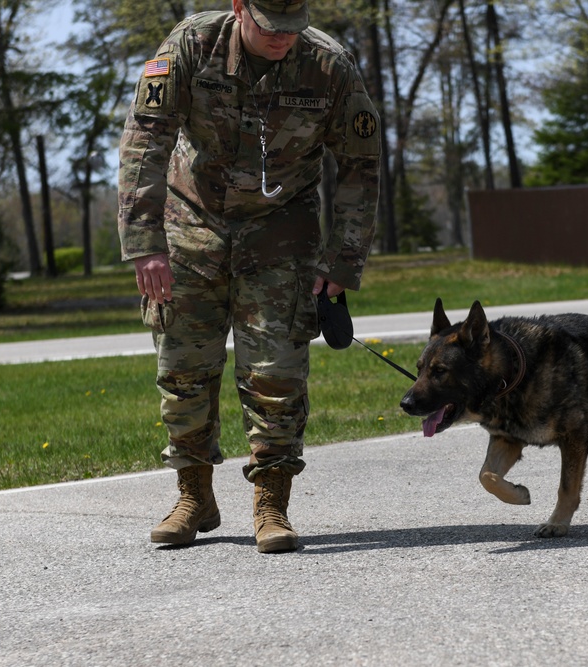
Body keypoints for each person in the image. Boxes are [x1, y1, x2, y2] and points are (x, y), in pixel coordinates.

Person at [117, 0, 380, 553]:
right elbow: (146, 138)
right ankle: (193, 496)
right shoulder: (191, 45)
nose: (284, 36)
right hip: (192, 220)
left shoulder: (328, 64)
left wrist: (343, 260)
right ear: (239, 8)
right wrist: (144, 245)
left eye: (293, 26)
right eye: (269, 26)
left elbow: (360, 162)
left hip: (282, 227)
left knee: (277, 371)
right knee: (184, 366)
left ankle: (271, 505)